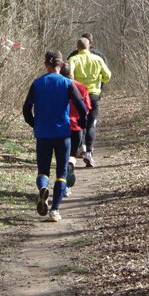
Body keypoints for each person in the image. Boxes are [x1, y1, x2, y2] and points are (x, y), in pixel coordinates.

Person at [23, 50, 87, 222]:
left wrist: (34, 123)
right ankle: (54, 211)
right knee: (61, 172)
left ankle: (43, 188)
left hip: (43, 134)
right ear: (61, 65)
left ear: (46, 64)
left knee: (43, 171)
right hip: (63, 135)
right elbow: (81, 108)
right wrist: (82, 123)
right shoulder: (67, 83)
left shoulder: (37, 83)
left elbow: (26, 109)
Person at [68, 37, 111, 168]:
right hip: (93, 94)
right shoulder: (98, 59)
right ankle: (89, 152)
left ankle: (78, 149)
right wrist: (99, 78)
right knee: (91, 123)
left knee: (78, 122)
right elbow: (107, 75)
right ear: (89, 47)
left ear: (78, 48)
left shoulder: (73, 59)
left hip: (78, 95)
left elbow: (69, 76)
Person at [60, 62, 92, 194]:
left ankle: (64, 186)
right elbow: (87, 108)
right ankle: (70, 171)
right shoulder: (81, 87)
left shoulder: (56, 87)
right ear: (71, 73)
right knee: (72, 155)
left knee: (62, 156)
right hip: (76, 127)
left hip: (60, 126)